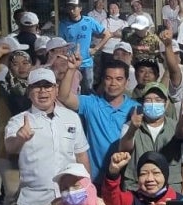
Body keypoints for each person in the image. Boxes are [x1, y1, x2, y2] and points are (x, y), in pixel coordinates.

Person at [6, 68, 91, 205]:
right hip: (34, 204)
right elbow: (9, 147)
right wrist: (20, 138)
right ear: (29, 91)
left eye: (47, 86)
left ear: (55, 89)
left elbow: (81, 154)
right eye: (37, 86)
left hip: (69, 202)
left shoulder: (72, 118)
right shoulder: (18, 121)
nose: (42, 91)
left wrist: (88, 191)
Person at [58, 55, 138, 183]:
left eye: (119, 79)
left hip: (125, 181)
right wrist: (71, 69)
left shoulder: (135, 109)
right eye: (108, 78)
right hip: (95, 180)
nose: (113, 83)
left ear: (127, 82)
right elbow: (64, 97)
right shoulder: (91, 104)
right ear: (102, 80)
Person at [117, 82, 183, 194]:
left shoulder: (177, 128)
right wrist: (132, 129)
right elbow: (123, 150)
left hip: (170, 190)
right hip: (136, 189)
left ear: (166, 103)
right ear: (142, 103)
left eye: (158, 100)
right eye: (148, 100)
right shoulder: (129, 126)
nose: (153, 104)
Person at [59, 0, 108, 93]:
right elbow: (61, 44)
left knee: (88, 90)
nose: (72, 10)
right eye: (69, 8)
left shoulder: (89, 21)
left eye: (74, 7)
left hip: (86, 63)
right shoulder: (63, 24)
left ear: (80, 8)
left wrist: (95, 49)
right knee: (72, 91)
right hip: (71, 63)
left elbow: (107, 34)